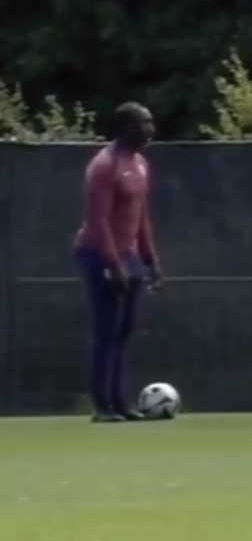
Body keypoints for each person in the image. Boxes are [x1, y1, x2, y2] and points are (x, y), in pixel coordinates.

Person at [74, 102, 163, 422]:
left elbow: (140, 218)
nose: (150, 130)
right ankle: (102, 406)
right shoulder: (104, 165)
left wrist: (150, 259)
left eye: (151, 123)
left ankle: (121, 401)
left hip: (130, 255)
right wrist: (113, 264)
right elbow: (98, 221)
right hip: (99, 252)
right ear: (126, 128)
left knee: (125, 331)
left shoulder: (140, 163)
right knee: (106, 330)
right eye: (144, 123)